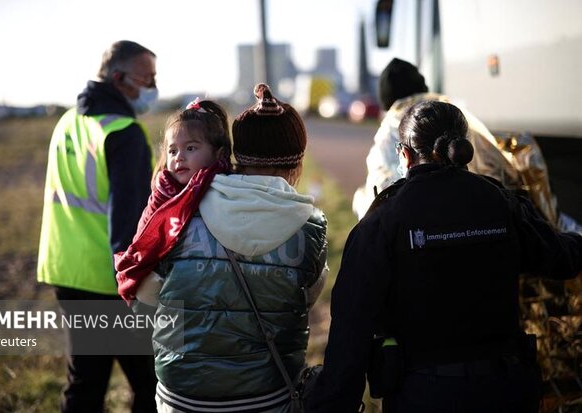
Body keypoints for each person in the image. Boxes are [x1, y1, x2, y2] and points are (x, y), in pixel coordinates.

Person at [306, 100, 582, 412]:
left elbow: (351, 331)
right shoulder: (502, 203)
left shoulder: (382, 221)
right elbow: (563, 259)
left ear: (405, 155)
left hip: (424, 396)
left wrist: (330, 402)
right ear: (464, 149)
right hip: (506, 390)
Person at [143, 84, 328, 413]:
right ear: (296, 164)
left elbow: (147, 292)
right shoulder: (311, 227)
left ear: (235, 155)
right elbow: (307, 297)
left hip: (182, 395)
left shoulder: (182, 209)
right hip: (267, 395)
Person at [37, 40, 159, 412]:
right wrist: (138, 288)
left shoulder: (68, 121)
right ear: (120, 79)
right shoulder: (124, 133)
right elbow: (130, 223)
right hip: (108, 281)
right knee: (153, 386)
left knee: (85, 384)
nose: (154, 87)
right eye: (148, 78)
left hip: (65, 270)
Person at [352, 58, 552, 225]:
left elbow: (378, 203)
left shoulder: (389, 133)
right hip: (488, 228)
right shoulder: (458, 115)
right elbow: (505, 173)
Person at [114, 98, 233, 305]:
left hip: (217, 297)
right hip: (168, 302)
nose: (179, 157)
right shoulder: (161, 195)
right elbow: (142, 246)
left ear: (217, 153)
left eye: (191, 148)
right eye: (172, 151)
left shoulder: (227, 192)